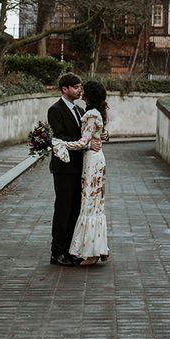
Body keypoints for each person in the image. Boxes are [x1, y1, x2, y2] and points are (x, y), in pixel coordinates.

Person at [47, 72, 102, 266]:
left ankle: (70, 250)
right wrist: (86, 145)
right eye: (76, 87)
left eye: (80, 87)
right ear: (65, 89)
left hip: (80, 167)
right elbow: (60, 138)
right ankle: (57, 253)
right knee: (63, 209)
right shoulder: (55, 110)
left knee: (75, 210)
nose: (80, 90)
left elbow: (86, 135)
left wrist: (100, 136)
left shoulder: (80, 111)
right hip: (63, 168)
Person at [64, 80, 110, 265]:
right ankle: (99, 247)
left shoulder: (91, 114)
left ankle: (92, 252)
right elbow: (100, 134)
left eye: (84, 90)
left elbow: (84, 141)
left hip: (92, 160)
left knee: (90, 202)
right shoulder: (97, 112)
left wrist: (58, 144)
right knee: (95, 202)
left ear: (90, 95)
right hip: (96, 158)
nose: (81, 91)